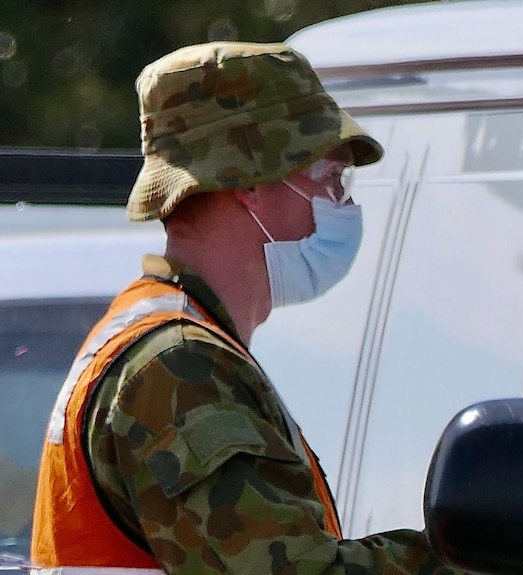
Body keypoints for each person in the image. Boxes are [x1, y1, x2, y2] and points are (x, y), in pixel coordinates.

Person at [31, 42, 461, 575]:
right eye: (330, 178)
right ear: (251, 180)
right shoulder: (177, 367)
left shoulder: (176, 345)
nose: (343, 206)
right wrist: (484, 558)